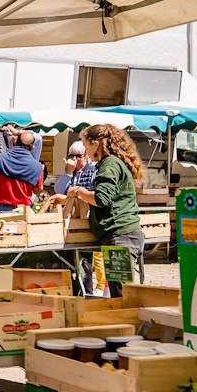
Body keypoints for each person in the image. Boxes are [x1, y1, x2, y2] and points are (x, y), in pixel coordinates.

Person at [52, 124, 145, 298]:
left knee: (123, 295)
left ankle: (131, 324)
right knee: (121, 293)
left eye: (86, 145)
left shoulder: (108, 164)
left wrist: (78, 191)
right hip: (122, 234)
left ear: (96, 144)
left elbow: (101, 198)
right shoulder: (113, 162)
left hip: (120, 236)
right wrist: (69, 197)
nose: (86, 150)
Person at [0, 129, 45, 213]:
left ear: (15, 142)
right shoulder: (38, 167)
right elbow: (38, 190)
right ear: (32, 147)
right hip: (22, 213)